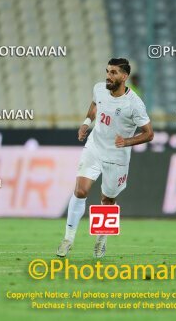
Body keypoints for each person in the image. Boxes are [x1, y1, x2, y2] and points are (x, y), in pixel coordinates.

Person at [56, 58, 154, 258]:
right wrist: (86, 122)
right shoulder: (99, 89)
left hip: (117, 156)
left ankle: (101, 240)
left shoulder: (134, 104)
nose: (109, 76)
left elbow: (149, 133)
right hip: (95, 147)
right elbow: (94, 104)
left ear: (124, 77)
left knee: (107, 200)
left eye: (114, 73)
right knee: (80, 190)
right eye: (108, 71)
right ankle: (68, 239)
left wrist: (126, 142)